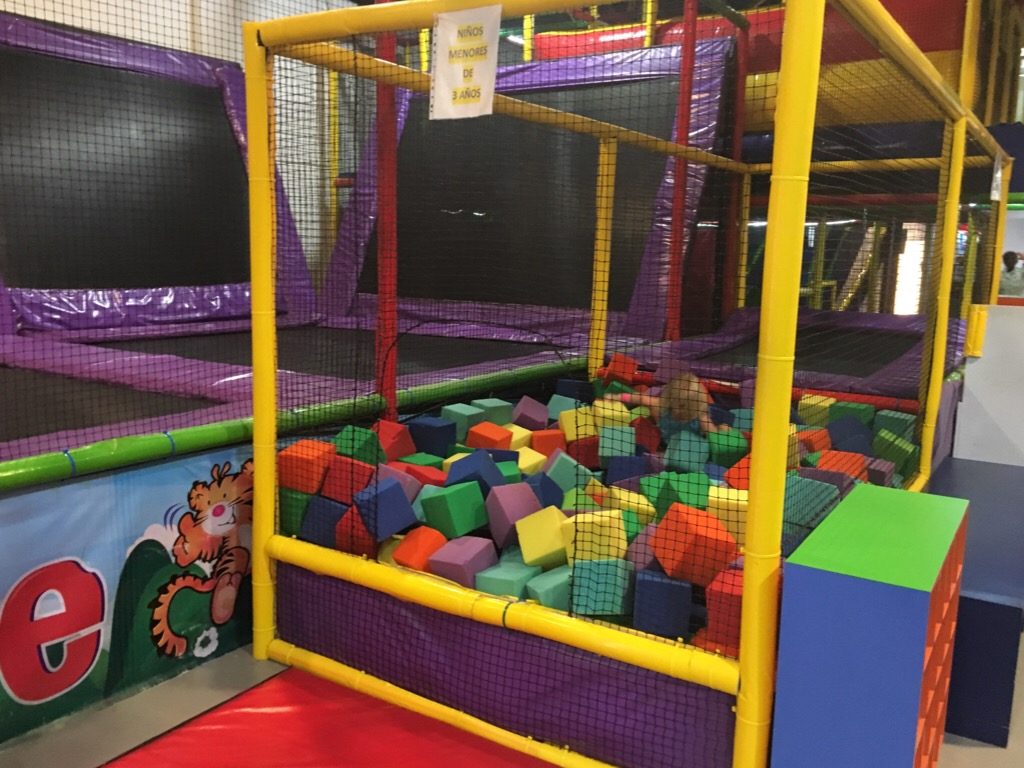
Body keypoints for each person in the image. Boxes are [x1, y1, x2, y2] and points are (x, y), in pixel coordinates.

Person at [616, 371, 723, 438]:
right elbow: (640, 398)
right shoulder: (661, 406)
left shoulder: (701, 417)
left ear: (695, 406)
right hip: (665, 446)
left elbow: (713, 436)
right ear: (670, 400)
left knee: (722, 429)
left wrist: (720, 433)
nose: (680, 410)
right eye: (677, 404)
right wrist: (617, 397)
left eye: (685, 406)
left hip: (690, 451)